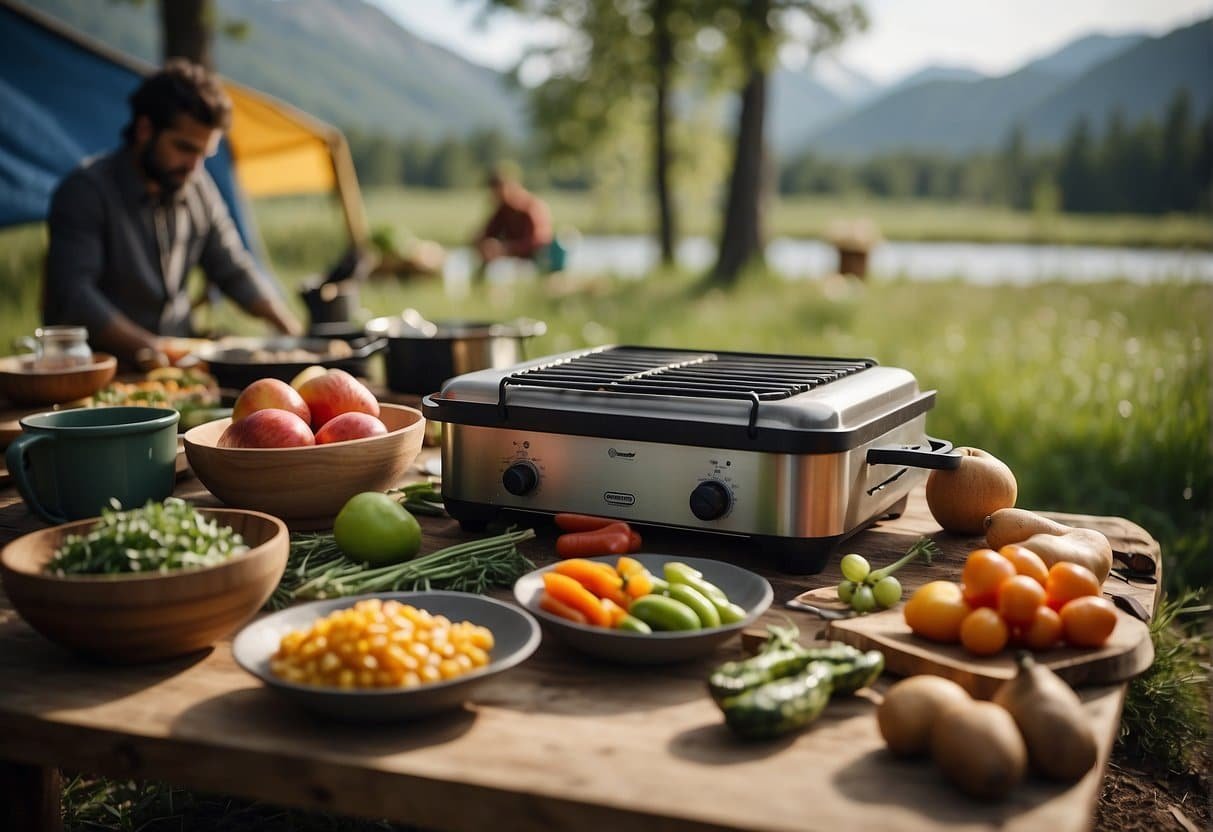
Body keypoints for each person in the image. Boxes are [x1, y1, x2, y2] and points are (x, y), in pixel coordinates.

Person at [43, 59, 303, 366]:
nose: (194, 166)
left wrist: (291, 329)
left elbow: (232, 268)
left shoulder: (198, 188)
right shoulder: (86, 191)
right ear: (144, 129)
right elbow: (74, 296)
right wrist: (153, 348)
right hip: (102, 372)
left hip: (180, 369)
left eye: (203, 154)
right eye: (184, 148)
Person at [473, 167, 553, 282]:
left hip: (533, 262)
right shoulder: (504, 209)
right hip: (511, 259)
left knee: (498, 273)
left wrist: (505, 249)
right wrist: (482, 243)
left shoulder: (531, 208)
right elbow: (490, 231)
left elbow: (537, 242)